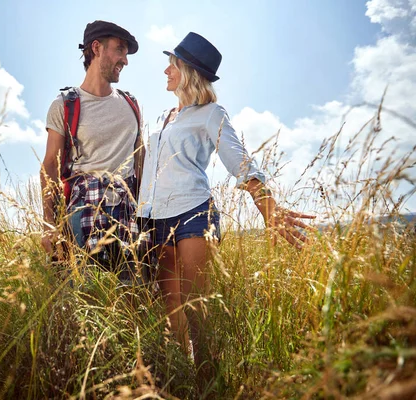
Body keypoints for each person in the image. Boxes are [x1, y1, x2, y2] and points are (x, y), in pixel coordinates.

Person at [137, 32, 315, 379]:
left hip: (193, 214)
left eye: (171, 65)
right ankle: (181, 380)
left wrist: (269, 208)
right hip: (152, 220)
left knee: (196, 309)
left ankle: (207, 380)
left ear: (187, 71)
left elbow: (240, 161)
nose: (165, 71)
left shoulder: (211, 114)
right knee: (169, 308)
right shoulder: (162, 117)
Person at [40, 20, 146, 281]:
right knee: (84, 296)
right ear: (96, 48)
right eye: (120, 50)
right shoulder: (65, 104)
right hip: (82, 212)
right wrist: (48, 223)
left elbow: (140, 160)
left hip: (127, 212)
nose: (125, 60)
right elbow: (50, 167)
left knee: (130, 295)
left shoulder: (131, 104)